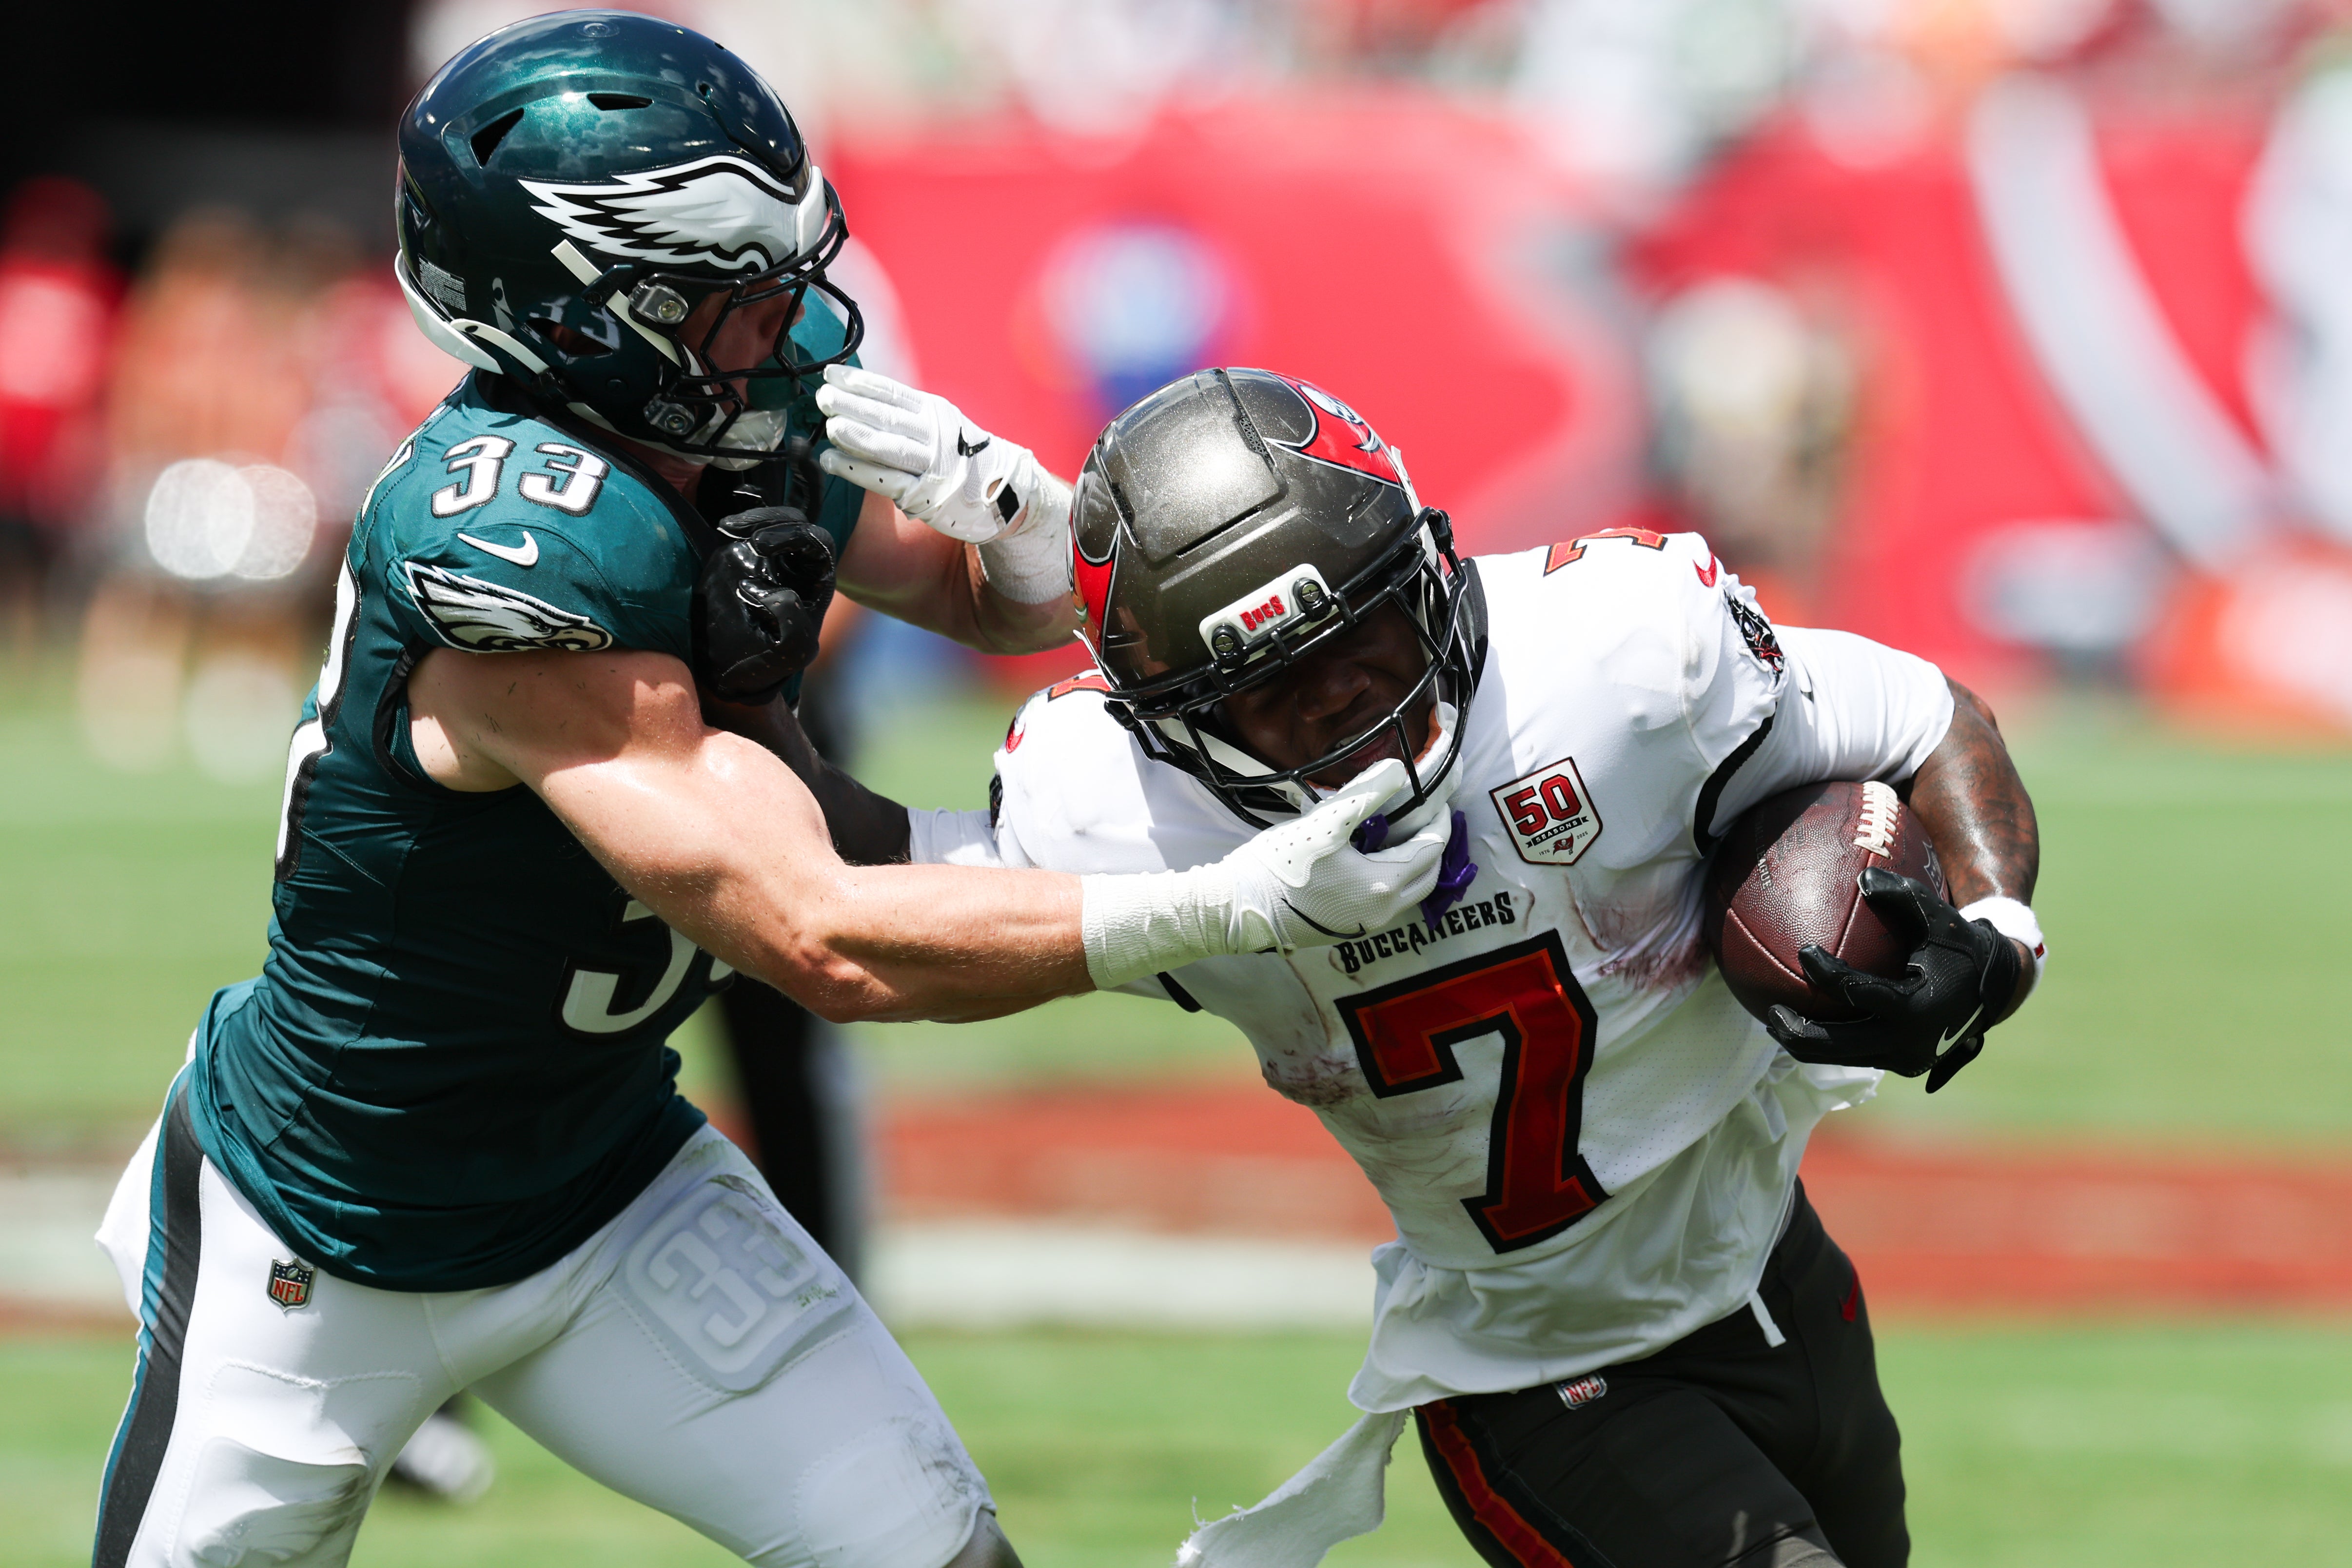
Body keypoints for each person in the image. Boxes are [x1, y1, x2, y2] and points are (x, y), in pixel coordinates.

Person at [87, 18, 1450, 1568]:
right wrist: (1218, 909)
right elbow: (821, 938)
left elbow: (987, 605)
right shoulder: (513, 550)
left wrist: (1014, 514)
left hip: (603, 1183)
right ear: (589, 314)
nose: (792, 327)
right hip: (325, 1236)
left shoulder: (722, 419)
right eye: (735, 298)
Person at [891, 368, 2045, 1568]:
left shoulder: (1620, 656)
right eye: (1273, 695)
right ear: (1170, 724)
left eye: (1366, 644)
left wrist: (1999, 936)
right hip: (1533, 1379)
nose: (1348, 714)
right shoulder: (1122, 813)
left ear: (1427, 574)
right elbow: (865, 912)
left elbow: (1923, 716)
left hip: (1780, 1274)